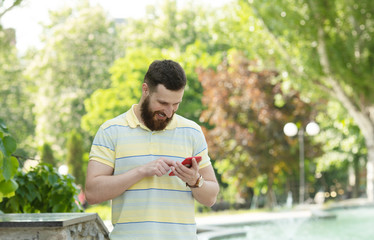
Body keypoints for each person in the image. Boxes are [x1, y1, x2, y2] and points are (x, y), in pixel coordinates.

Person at [85, 59, 220, 240]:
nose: (170, 112)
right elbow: (93, 193)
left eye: (176, 104)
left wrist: (195, 181)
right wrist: (142, 171)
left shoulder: (192, 132)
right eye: (163, 103)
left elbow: (211, 197)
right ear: (145, 90)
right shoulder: (111, 131)